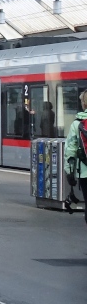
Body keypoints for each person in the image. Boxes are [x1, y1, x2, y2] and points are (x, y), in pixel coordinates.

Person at [63, 90, 87, 219]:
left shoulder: (77, 124)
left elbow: (70, 150)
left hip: (84, 171)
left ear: (83, 103)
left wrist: (69, 172)